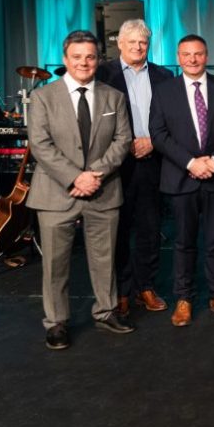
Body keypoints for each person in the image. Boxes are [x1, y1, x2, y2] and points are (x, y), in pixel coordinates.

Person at [28, 30, 134, 350]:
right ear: (65, 60)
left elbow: (122, 141)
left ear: (98, 59)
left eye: (90, 56)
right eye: (77, 57)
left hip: (103, 189)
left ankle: (106, 311)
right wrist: (76, 177)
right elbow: (40, 145)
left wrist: (94, 174)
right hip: (56, 192)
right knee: (55, 263)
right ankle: (57, 322)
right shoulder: (44, 97)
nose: (84, 62)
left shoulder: (113, 96)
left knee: (105, 259)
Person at [150, 34, 214, 327]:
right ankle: (184, 298)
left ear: (207, 56)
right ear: (179, 58)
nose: (193, 59)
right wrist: (192, 163)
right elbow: (158, 133)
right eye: (186, 54)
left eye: (198, 54)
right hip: (181, 178)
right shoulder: (164, 90)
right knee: (183, 242)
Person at [96, 19, 173, 316]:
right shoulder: (103, 74)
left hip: (153, 161)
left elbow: (172, 119)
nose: (138, 47)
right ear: (120, 44)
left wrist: (153, 141)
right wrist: (123, 142)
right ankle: (122, 290)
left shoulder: (164, 76)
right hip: (116, 163)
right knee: (118, 229)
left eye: (143, 42)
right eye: (132, 42)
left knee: (150, 229)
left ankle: (146, 287)